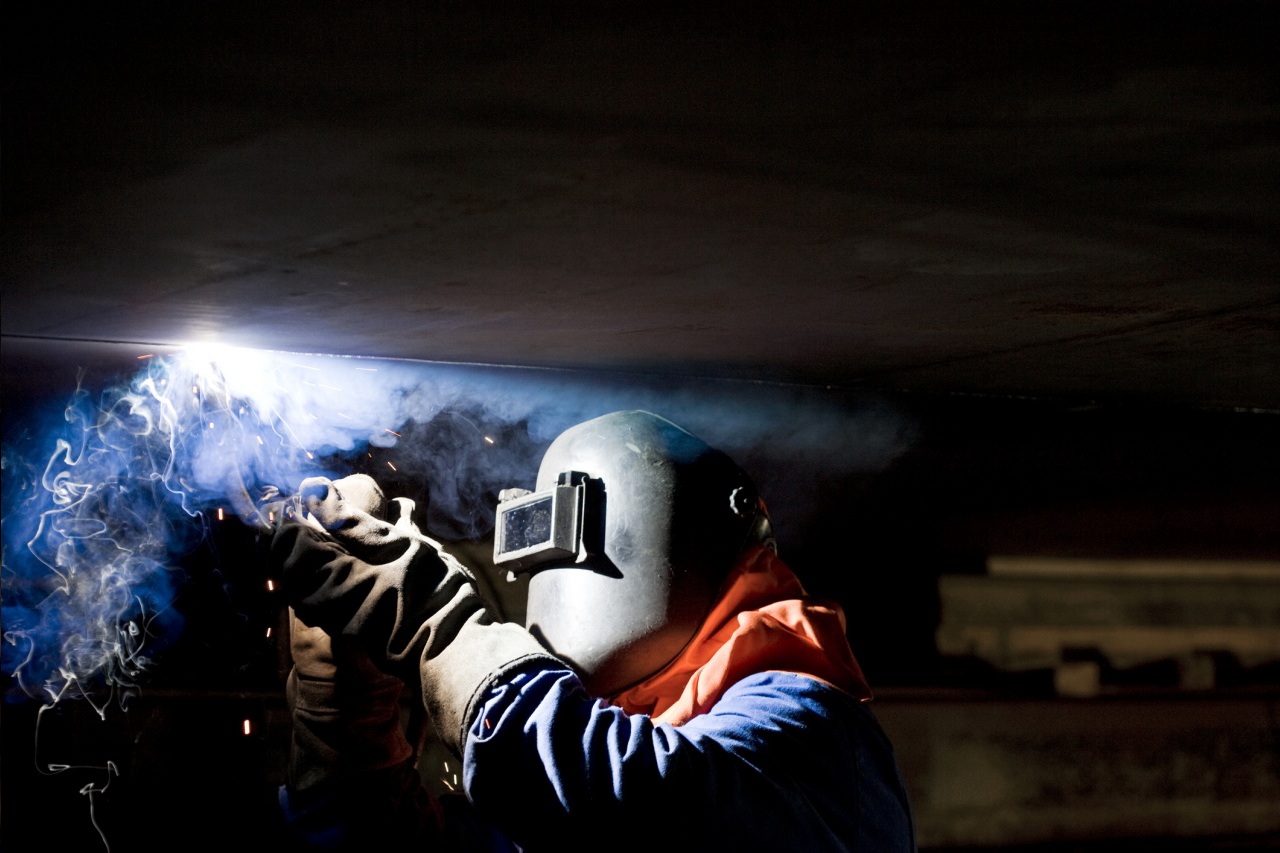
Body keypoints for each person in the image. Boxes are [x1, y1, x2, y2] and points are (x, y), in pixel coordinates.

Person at [271, 410, 916, 851]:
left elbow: (618, 797)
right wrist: (344, 717)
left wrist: (431, 623)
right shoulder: (619, 723)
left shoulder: (809, 730)